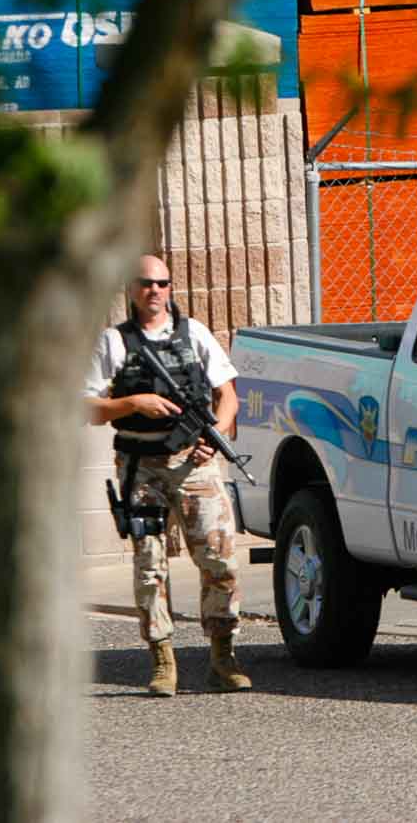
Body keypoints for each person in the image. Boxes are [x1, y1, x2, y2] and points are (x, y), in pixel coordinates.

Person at [84, 256, 250, 697]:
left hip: (194, 463)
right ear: (131, 288)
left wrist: (212, 438)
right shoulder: (113, 342)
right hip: (142, 468)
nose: (155, 290)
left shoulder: (193, 333)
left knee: (221, 561)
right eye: (146, 283)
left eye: (163, 283)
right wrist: (133, 404)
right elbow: (89, 407)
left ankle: (223, 655)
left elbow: (228, 395)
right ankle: (162, 659)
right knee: (150, 566)